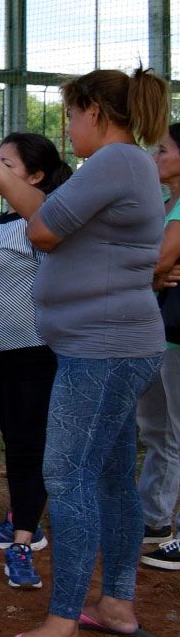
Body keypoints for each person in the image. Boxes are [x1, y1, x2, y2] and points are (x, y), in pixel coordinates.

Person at [0, 66, 169, 637]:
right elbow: (46, 211)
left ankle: (63, 624)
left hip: (103, 348)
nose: (68, 128)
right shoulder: (125, 166)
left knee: (66, 479)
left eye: (71, 114)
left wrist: (35, 212)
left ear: (95, 111)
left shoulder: (115, 163)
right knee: (113, 479)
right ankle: (114, 603)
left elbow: (40, 231)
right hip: (113, 343)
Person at [0, 134, 71, 589]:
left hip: (31, 352)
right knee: (16, 441)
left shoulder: (40, 220)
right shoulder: (6, 220)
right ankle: (21, 516)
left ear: (36, 176)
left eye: (5, 163)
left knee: (28, 444)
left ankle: (24, 537)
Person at [138, 123, 180, 569]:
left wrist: (150, 271)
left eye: (163, 150)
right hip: (161, 330)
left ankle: (162, 519)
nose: (155, 157)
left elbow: (159, 261)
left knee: (174, 428)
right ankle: (155, 517)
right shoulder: (165, 203)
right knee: (156, 427)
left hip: (174, 330)